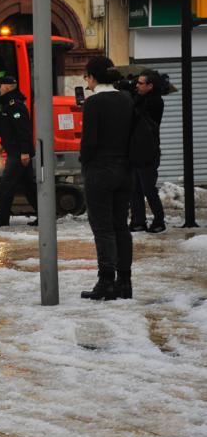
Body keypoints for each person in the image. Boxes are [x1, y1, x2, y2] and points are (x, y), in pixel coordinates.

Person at [79, 61, 134, 301]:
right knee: (121, 226)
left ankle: (106, 282)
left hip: (100, 169)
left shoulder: (93, 103)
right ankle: (125, 281)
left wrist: (86, 163)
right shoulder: (126, 99)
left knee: (103, 228)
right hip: (125, 169)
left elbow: (89, 142)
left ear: (92, 77)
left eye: (86, 77)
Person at [0, 75, 38, 228]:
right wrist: (2, 144)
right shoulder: (9, 104)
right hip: (16, 151)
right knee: (28, 187)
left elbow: (23, 131)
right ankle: (45, 215)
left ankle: (1, 219)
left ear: (7, 87)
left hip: (18, 153)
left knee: (6, 186)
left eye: (0, 86)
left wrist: (25, 152)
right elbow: (10, 130)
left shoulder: (15, 105)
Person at [129, 69, 166, 234]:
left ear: (150, 86)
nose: (137, 86)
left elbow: (135, 109)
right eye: (137, 83)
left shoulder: (155, 101)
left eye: (140, 83)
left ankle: (159, 221)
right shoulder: (141, 99)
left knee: (148, 189)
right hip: (136, 150)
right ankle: (138, 221)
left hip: (148, 152)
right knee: (134, 188)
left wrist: (131, 93)